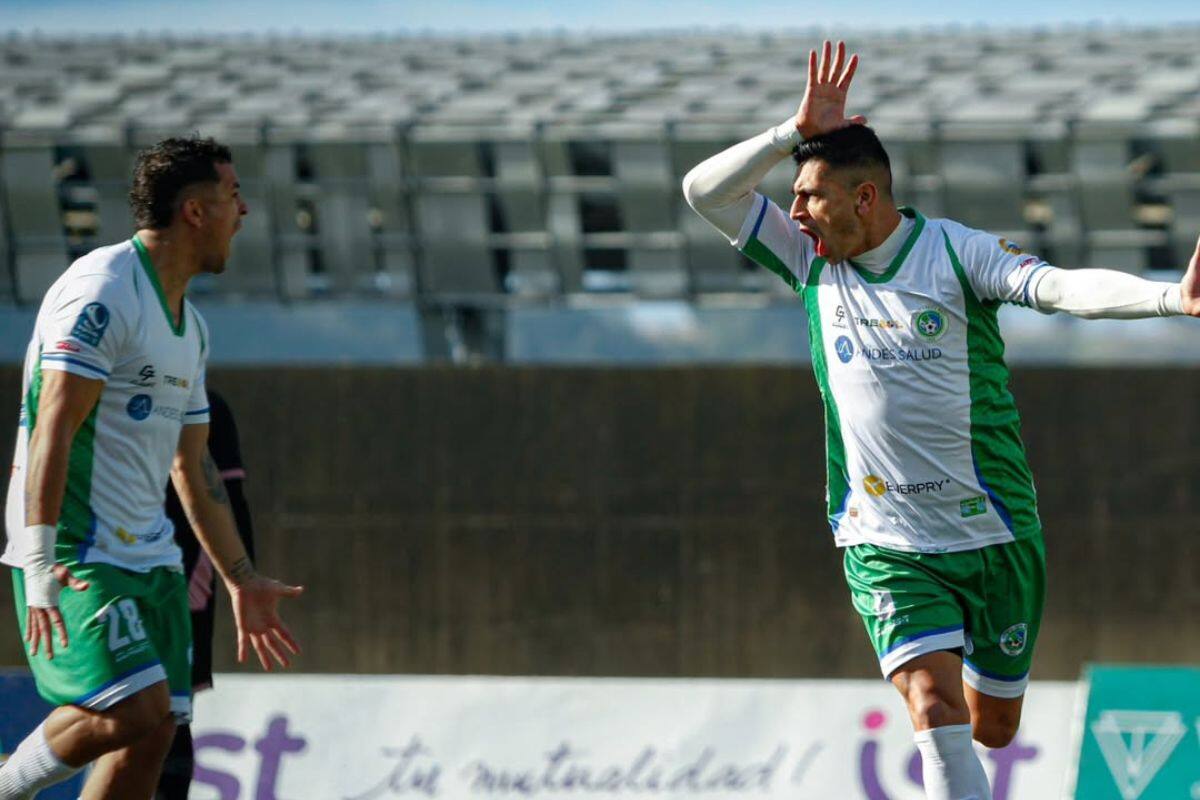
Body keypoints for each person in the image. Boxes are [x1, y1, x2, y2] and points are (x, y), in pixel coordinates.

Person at [682, 40, 1200, 800]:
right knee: (934, 707)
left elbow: (1059, 289)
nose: (793, 212)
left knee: (992, 728)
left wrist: (1169, 299)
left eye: (810, 197)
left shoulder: (954, 254)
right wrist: (789, 135)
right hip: (884, 537)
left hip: (994, 532)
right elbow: (702, 192)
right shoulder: (808, 259)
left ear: (865, 199)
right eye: (792, 197)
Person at [0, 137, 303, 799]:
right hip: (77, 550)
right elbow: (54, 423)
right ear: (195, 212)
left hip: (153, 561)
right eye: (232, 196)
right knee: (131, 707)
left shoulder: (189, 328)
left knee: (156, 729)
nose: (243, 211)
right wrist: (40, 560)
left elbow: (190, 473)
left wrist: (241, 579)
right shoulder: (102, 288)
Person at [155, 390, 254, 800]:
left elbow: (230, 501)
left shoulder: (204, 404)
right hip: (107, 577)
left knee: (171, 716)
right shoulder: (95, 391)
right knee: (125, 715)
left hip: (182, 582)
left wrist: (244, 583)